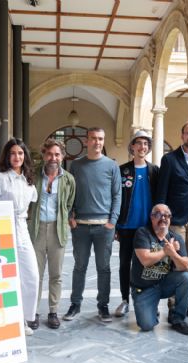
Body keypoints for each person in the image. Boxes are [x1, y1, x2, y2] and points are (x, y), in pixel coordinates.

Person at [65, 127, 122, 322]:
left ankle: (103, 306)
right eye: (93, 138)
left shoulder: (111, 166)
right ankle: (75, 304)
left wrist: (112, 221)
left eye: (100, 138)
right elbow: (70, 193)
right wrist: (70, 216)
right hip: (80, 226)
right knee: (79, 266)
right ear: (86, 141)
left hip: (103, 227)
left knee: (103, 268)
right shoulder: (76, 165)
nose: (97, 142)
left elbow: (117, 195)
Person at [156, 121, 188, 319]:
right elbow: (162, 190)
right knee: (176, 261)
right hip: (176, 219)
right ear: (182, 136)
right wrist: (161, 220)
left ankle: (185, 302)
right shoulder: (169, 159)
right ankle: (173, 305)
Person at [27, 139, 76, 330]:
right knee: (35, 274)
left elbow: (69, 203)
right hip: (36, 229)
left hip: (58, 229)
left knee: (56, 275)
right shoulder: (33, 176)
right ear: (44, 154)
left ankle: (53, 311)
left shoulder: (69, 179)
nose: (53, 158)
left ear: (62, 156)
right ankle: (33, 312)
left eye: (57, 154)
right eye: (49, 154)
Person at [0, 139, 39, 336]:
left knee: (31, 276)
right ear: (7, 156)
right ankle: (7, 322)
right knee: (5, 278)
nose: (17, 157)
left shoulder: (29, 181)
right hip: (2, 228)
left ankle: (25, 319)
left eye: (20, 153)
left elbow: (30, 208)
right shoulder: (0, 178)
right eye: (13, 153)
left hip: (22, 229)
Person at [130, 204, 188, 335]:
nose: (163, 218)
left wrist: (173, 254)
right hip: (144, 288)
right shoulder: (142, 233)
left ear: (170, 218)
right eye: (158, 214)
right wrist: (166, 251)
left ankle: (178, 319)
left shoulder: (176, 238)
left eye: (166, 215)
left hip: (164, 283)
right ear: (151, 217)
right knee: (146, 325)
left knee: (186, 278)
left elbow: (185, 266)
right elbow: (146, 260)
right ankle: (151, 306)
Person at [115, 130, 159, 317]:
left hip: (148, 228)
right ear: (132, 146)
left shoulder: (155, 171)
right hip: (126, 226)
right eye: (138, 143)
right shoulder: (122, 170)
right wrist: (116, 225)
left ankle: (151, 303)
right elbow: (116, 198)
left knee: (149, 266)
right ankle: (125, 300)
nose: (142, 147)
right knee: (125, 264)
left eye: (146, 144)